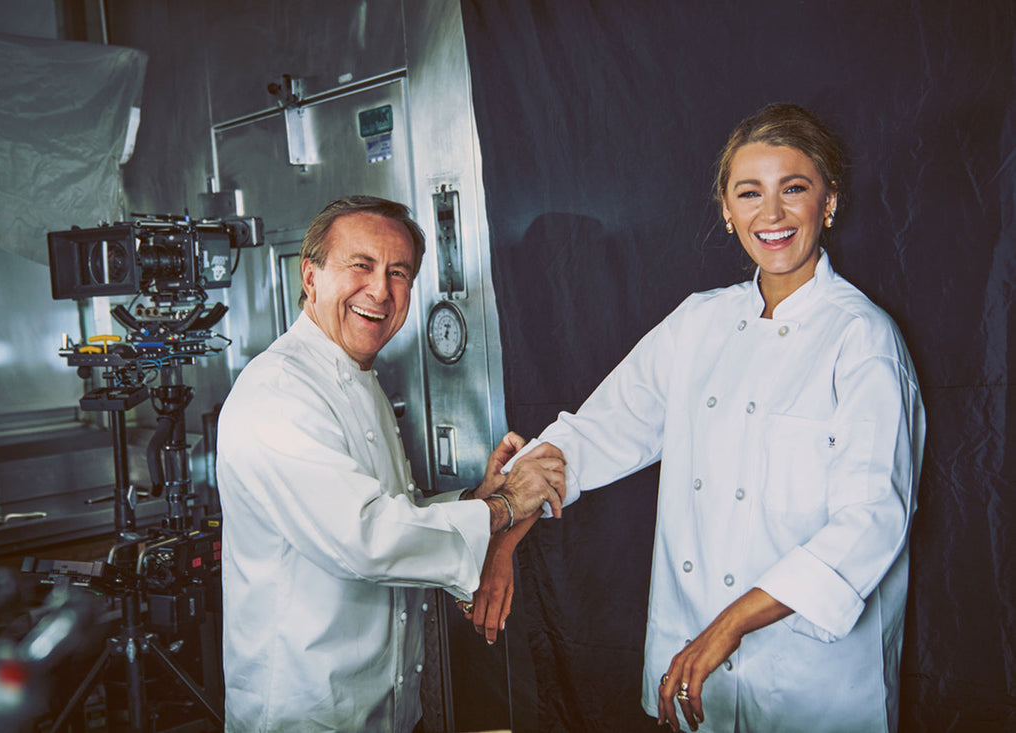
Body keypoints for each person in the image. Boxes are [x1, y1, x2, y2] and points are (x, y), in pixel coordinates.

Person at [479, 104, 926, 732]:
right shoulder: (698, 323)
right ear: (726, 208)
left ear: (829, 201)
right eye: (750, 193)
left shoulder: (862, 339)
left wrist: (730, 625)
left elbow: (870, 523)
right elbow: (600, 429)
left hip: (808, 681)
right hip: (698, 673)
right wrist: (504, 522)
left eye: (793, 189)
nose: (770, 215)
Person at [215, 195, 565, 733]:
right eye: (361, 265)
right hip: (310, 714)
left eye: (398, 272)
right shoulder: (278, 391)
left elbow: (392, 510)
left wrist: (476, 498)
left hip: (388, 709)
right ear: (311, 277)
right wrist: (503, 506)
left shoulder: (359, 376)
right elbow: (366, 537)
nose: (380, 290)